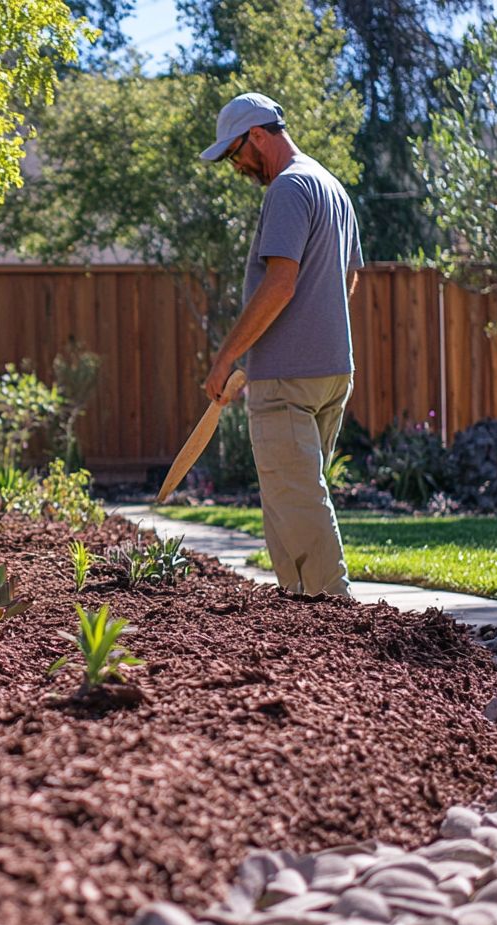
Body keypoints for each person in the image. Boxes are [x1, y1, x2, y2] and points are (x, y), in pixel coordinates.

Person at [199, 92, 362, 597]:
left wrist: (226, 358)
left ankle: (338, 621)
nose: (237, 166)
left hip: (287, 377)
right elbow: (349, 277)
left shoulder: (289, 188)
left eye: (236, 153)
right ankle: (302, 618)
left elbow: (280, 283)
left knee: (297, 503)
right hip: (332, 371)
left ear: (258, 136)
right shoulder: (330, 185)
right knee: (292, 502)